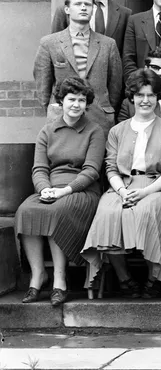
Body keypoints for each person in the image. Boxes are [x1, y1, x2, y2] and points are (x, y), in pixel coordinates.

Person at [81, 70, 161, 299]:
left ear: (158, 97)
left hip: (158, 186)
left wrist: (145, 192)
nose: (145, 100)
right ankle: (124, 278)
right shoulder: (117, 131)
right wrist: (121, 191)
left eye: (151, 95)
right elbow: (110, 168)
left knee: (147, 211)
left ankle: (155, 278)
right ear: (132, 97)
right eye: (140, 95)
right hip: (122, 185)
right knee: (108, 213)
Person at [16, 78, 106, 306]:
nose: (76, 104)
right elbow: (39, 168)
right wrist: (45, 189)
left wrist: (64, 191)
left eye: (81, 100)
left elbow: (91, 171)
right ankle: (38, 275)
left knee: (57, 211)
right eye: (71, 99)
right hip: (50, 188)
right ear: (61, 101)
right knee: (25, 211)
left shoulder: (94, 131)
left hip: (82, 191)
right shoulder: (47, 131)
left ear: (87, 104)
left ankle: (59, 279)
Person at [35, 0, 123, 132]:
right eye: (78, 4)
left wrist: (103, 107)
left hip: (99, 118)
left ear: (93, 9)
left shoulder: (108, 44)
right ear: (67, 9)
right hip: (62, 117)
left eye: (87, 4)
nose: (83, 7)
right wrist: (54, 108)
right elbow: (43, 85)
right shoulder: (50, 43)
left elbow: (115, 85)